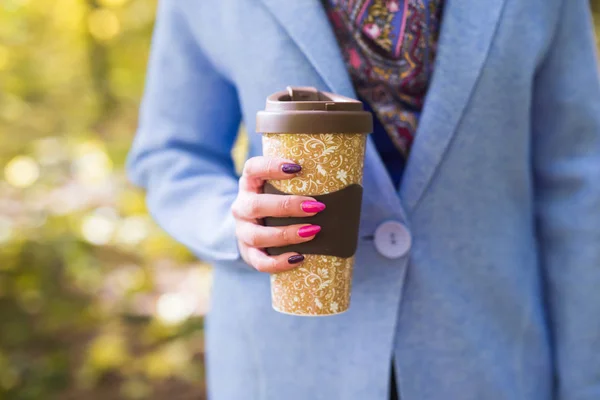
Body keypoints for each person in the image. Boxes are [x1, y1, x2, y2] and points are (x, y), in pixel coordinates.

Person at [126, 0, 600, 399]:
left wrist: (586, 382)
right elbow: (171, 155)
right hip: (287, 365)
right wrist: (233, 225)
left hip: (489, 357)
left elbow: (576, 181)